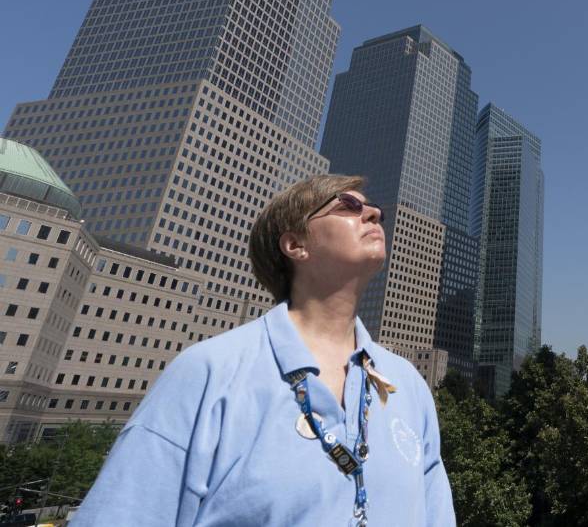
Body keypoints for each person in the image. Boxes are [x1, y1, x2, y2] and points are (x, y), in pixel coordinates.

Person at [73, 174, 456, 526]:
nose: (373, 213)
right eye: (347, 206)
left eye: (374, 210)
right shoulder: (209, 371)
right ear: (295, 245)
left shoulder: (406, 384)